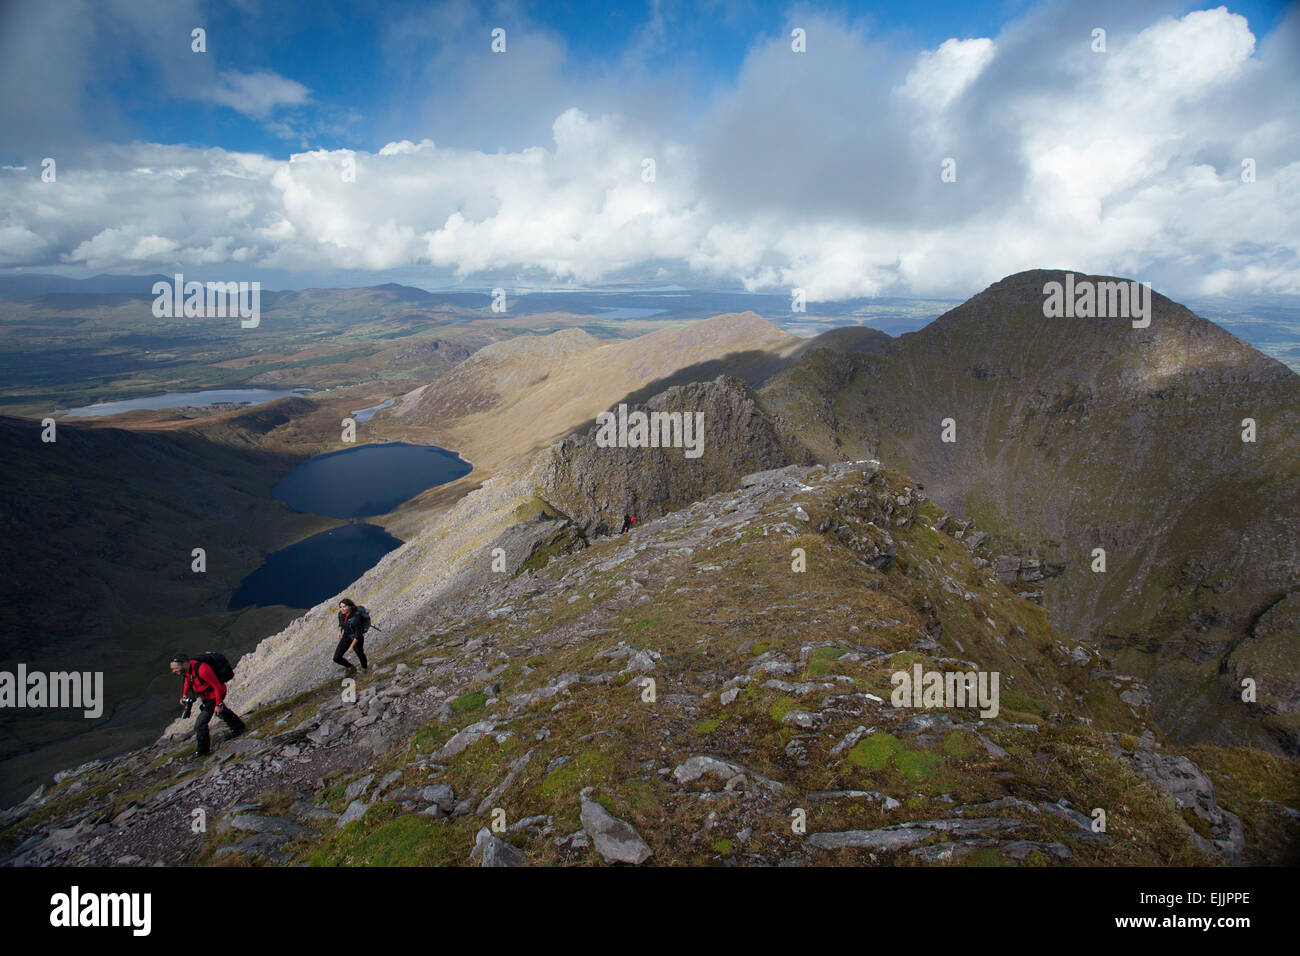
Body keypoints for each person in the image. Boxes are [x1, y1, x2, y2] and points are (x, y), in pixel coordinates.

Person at [169, 655, 245, 758]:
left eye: (175, 668)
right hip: (206, 697)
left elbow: (217, 686)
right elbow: (188, 680)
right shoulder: (187, 670)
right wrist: (184, 695)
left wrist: (219, 704)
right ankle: (238, 727)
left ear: (184, 664)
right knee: (220, 712)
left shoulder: (202, 670)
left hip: (215, 695)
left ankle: (202, 751)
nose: (173, 671)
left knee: (200, 724)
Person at [334, 597, 370, 673]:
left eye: (344, 607)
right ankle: (350, 667)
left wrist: (351, 647)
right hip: (346, 636)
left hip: (356, 638)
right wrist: (340, 631)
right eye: (340, 607)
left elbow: (358, 634)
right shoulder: (341, 614)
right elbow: (341, 623)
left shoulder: (356, 618)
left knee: (360, 653)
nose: (342, 609)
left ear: (350, 607)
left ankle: (364, 668)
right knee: (336, 658)